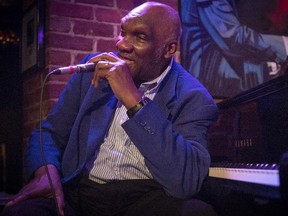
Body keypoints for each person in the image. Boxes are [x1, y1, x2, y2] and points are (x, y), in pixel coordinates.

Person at [0, 2, 218, 216]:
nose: (122, 44)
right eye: (123, 32)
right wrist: (45, 172)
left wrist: (134, 101)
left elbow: (186, 180)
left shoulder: (194, 97)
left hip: (146, 197)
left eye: (140, 37)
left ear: (169, 49)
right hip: (79, 191)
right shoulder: (93, 70)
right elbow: (49, 132)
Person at [180, 0, 288, 98]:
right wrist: (285, 45)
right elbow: (233, 38)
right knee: (272, 78)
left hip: (223, 63)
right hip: (208, 73)